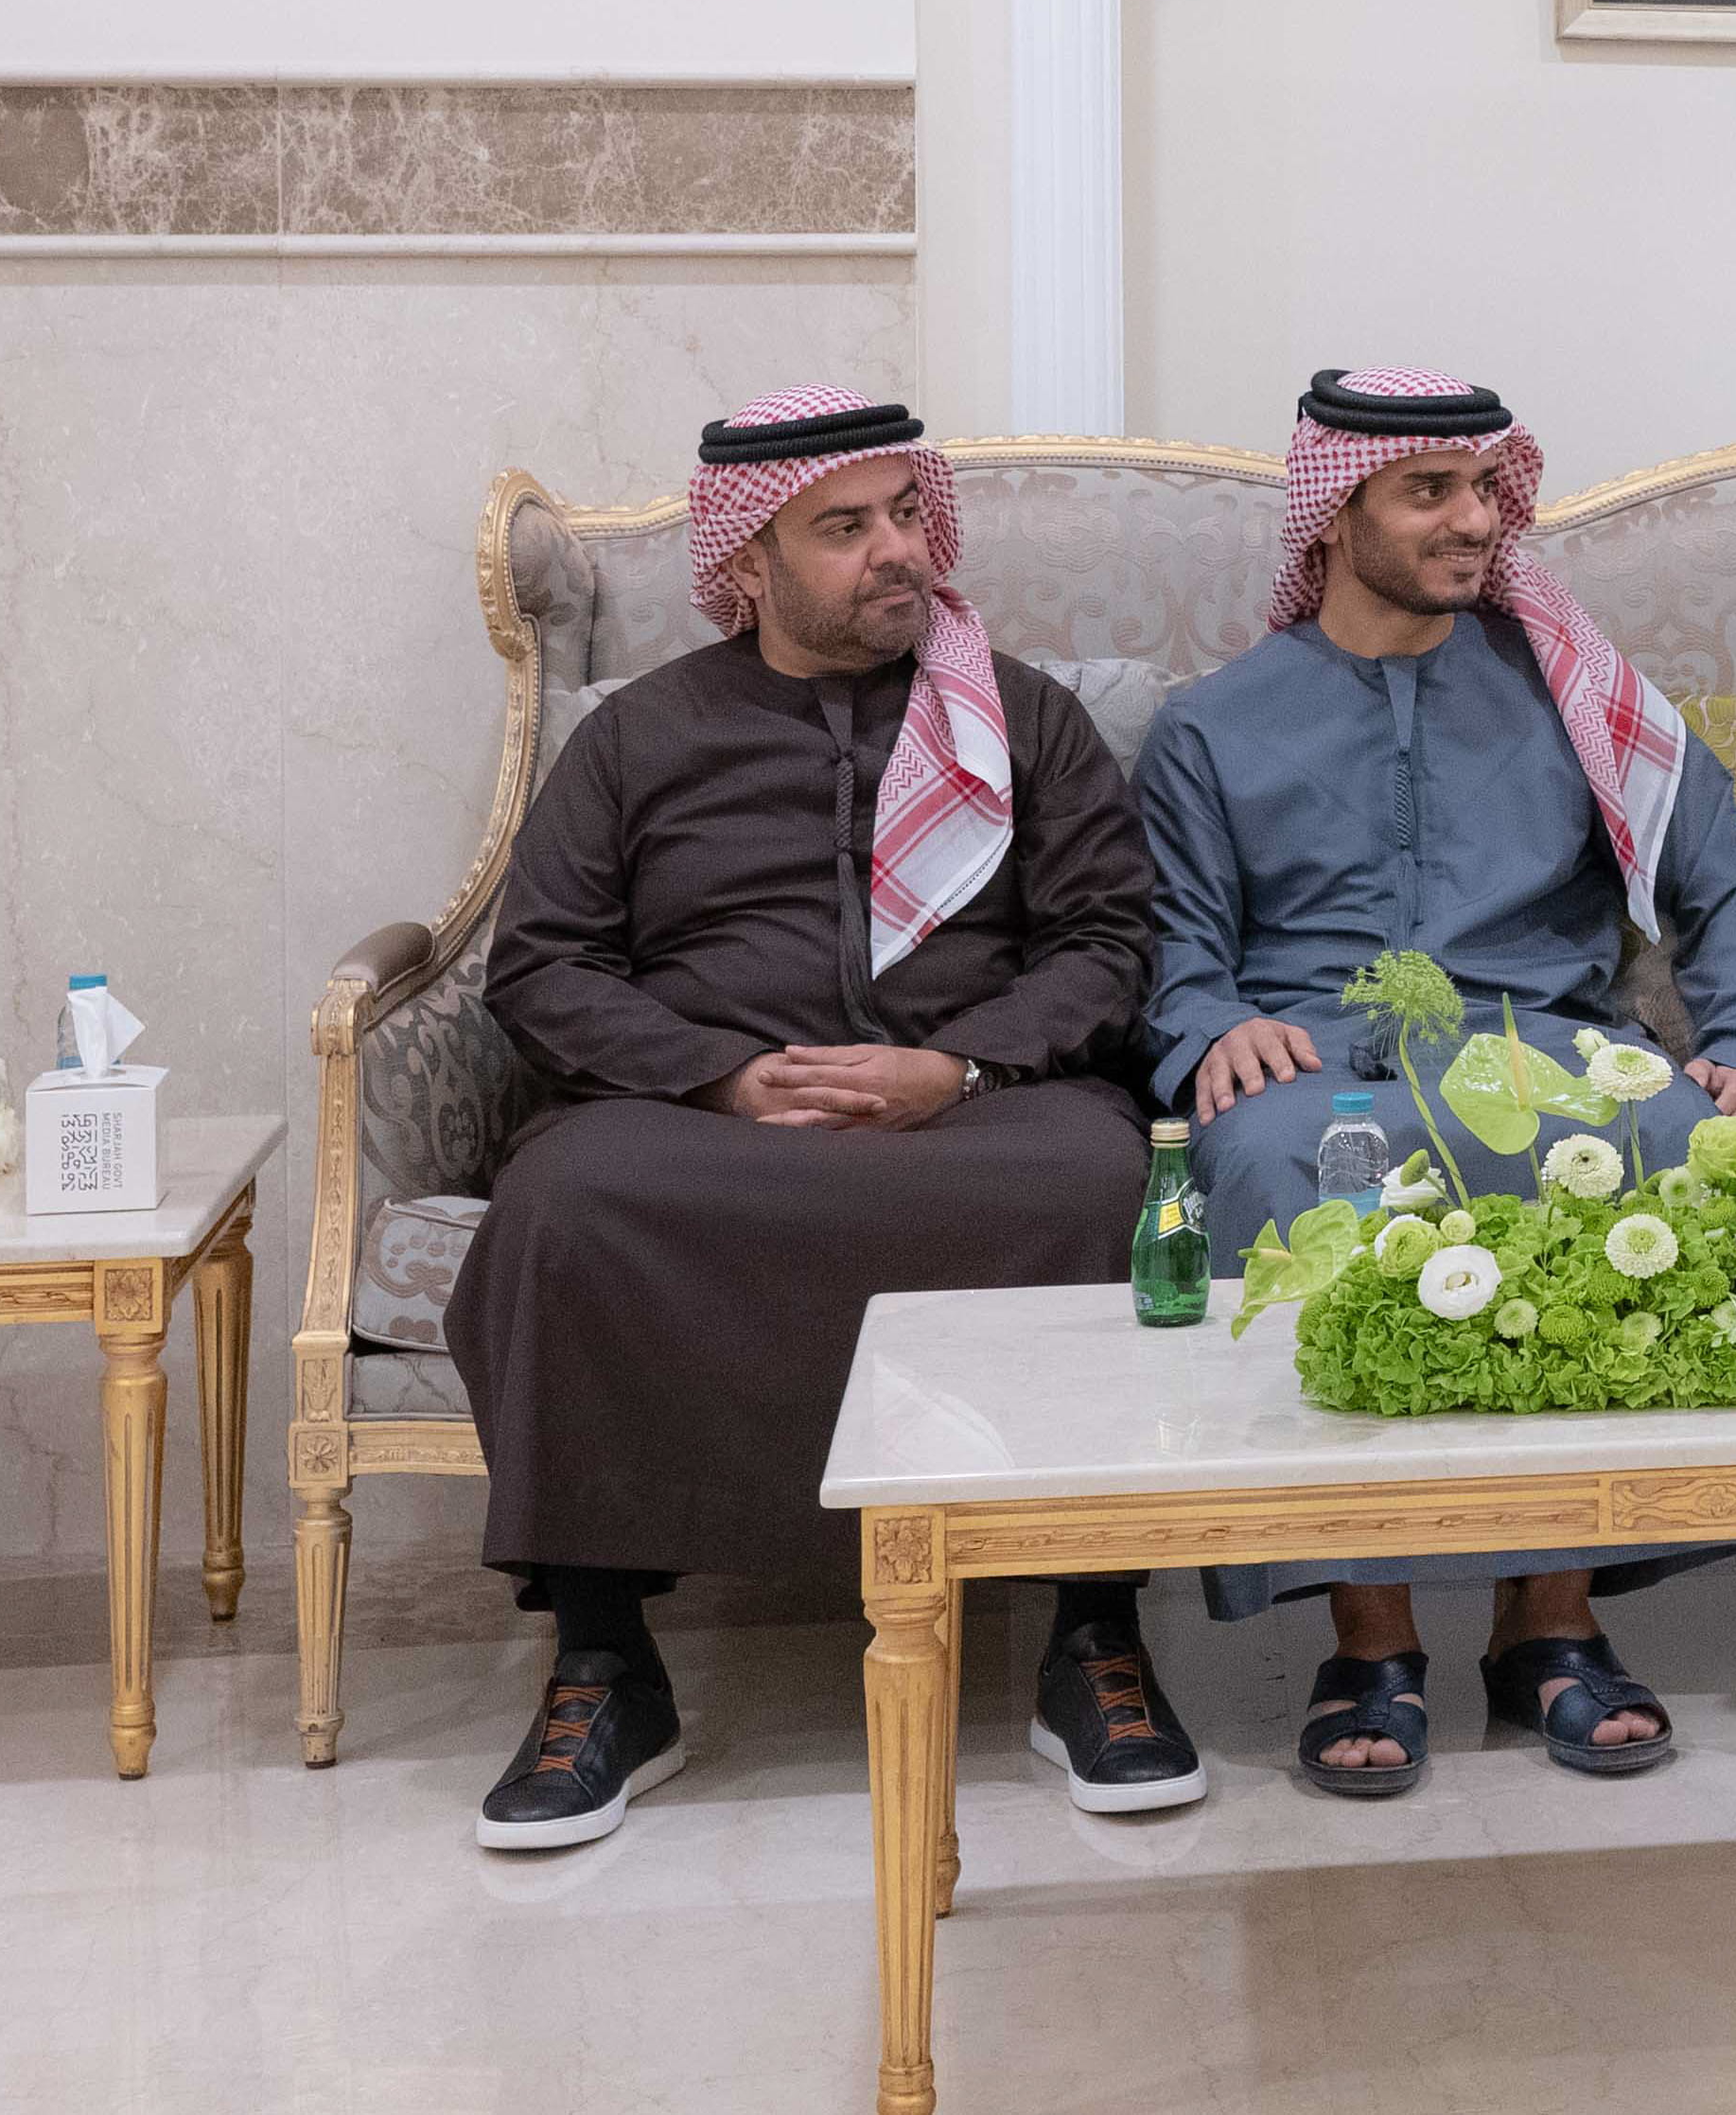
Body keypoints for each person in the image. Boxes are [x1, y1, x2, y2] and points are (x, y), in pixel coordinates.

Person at [459, 391, 1196, 1847]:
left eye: (907, 515)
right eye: (844, 528)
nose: (896, 550)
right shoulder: (639, 734)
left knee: (1097, 1180)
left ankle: (1094, 1633)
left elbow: (1110, 941)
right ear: (750, 563)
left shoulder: (1019, 717)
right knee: (568, 1204)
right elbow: (540, 965)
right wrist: (718, 1073)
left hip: (973, 1108)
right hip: (710, 1116)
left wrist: (959, 1065)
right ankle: (604, 1663)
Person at [1137, 365, 1736, 1796]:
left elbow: (1729, 882)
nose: (1476, 520)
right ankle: (1370, 1635)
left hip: (1542, 1040)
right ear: (1334, 516)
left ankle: (1550, 1616)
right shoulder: (1213, 723)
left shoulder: (1580, 695)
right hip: (1317, 1055)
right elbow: (1178, 951)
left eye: (1486, 488)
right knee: (1282, 1157)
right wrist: (1212, 1027)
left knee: (1657, 1138)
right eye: (1428, 492)